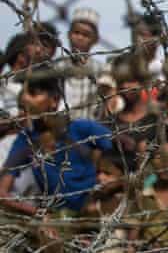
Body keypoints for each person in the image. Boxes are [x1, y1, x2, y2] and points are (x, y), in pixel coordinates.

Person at [0, 76, 113, 217]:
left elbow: (119, 143)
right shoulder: (26, 141)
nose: (26, 99)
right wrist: (39, 214)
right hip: (61, 217)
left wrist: (106, 173)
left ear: (55, 100)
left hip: (98, 206)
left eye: (34, 93)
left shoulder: (79, 128)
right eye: (25, 95)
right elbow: (2, 192)